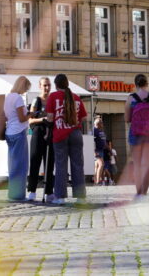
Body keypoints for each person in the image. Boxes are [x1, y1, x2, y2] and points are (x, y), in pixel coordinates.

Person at [47, 73, 87, 205]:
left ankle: (60, 197)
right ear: (67, 84)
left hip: (59, 134)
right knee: (78, 165)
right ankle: (80, 197)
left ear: (56, 85)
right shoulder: (76, 97)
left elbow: (50, 118)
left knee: (60, 165)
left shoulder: (53, 96)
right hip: (75, 133)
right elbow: (83, 117)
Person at [126, 74, 149, 199]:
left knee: (138, 164)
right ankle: (145, 193)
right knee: (147, 164)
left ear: (135, 85)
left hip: (136, 134)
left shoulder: (131, 98)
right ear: (147, 84)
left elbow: (127, 118)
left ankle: (139, 193)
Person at [26, 76, 55, 201]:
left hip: (50, 134)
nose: (47, 88)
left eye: (48, 85)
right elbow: (30, 120)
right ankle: (32, 191)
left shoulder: (52, 101)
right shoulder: (36, 101)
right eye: (45, 85)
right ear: (40, 86)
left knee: (49, 164)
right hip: (38, 133)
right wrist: (43, 119)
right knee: (35, 162)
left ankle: (49, 192)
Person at [4, 75, 31, 201]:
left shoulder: (8, 97)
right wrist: (30, 114)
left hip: (10, 132)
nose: (25, 91)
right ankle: (18, 195)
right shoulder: (18, 98)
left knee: (13, 165)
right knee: (21, 165)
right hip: (19, 132)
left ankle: (12, 193)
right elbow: (22, 118)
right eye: (26, 88)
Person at [92, 116, 107, 186]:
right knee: (101, 164)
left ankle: (95, 181)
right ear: (98, 124)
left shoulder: (101, 131)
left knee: (97, 166)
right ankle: (98, 181)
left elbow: (103, 141)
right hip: (97, 150)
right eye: (101, 123)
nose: (103, 124)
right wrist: (94, 151)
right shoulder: (94, 131)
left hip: (101, 150)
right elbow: (91, 141)